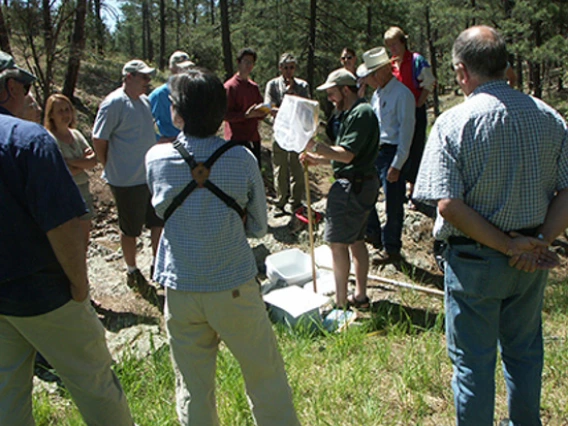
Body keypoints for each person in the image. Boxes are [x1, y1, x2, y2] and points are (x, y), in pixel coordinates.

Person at [413, 26, 568, 426]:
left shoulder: (453, 123)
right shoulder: (550, 118)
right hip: (530, 260)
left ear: (462, 71)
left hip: (475, 263)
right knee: (526, 353)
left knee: (473, 366)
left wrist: (506, 245)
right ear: (505, 66)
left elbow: (448, 205)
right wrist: (535, 243)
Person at [145, 68, 300, 426]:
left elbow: (160, 210)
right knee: (264, 375)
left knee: (193, 386)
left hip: (181, 286)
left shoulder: (155, 159)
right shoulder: (241, 158)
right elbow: (260, 227)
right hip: (233, 283)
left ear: (178, 113)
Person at [0, 50, 135, 426]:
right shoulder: (29, 139)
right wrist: (79, 285)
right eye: (26, 87)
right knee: (95, 381)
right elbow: (63, 225)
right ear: (9, 87)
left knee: (7, 393)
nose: (32, 96)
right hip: (45, 293)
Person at [300, 68, 379, 309]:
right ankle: (360, 296)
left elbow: (346, 155)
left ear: (346, 89)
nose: (331, 98)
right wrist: (319, 159)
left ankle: (342, 303)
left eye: (333, 93)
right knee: (356, 240)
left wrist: (315, 145)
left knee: (337, 244)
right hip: (360, 183)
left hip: (352, 188)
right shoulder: (351, 113)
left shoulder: (361, 113)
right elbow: (347, 156)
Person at [92, 59, 163, 289]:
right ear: (129, 77)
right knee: (130, 228)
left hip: (149, 177)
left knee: (157, 222)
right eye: (144, 77)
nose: (148, 82)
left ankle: (157, 264)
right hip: (126, 180)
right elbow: (99, 139)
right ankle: (132, 270)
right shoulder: (113, 103)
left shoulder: (143, 102)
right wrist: (109, 166)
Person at [357, 47, 415, 262]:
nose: (369, 80)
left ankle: (391, 247)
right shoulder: (378, 94)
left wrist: (398, 163)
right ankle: (373, 233)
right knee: (366, 192)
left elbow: (406, 132)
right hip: (376, 150)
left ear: (381, 71)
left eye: (371, 75)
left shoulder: (403, 95)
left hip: (392, 151)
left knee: (393, 203)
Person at [384, 26, 436, 208]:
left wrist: (419, 103)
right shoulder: (390, 64)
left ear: (403, 42)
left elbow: (429, 82)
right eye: (389, 46)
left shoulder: (416, 60)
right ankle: (401, 187)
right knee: (399, 147)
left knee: (415, 149)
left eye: (395, 45)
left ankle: (415, 190)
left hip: (414, 110)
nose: (393, 49)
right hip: (396, 114)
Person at [45, 94, 97, 248]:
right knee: (68, 242)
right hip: (64, 193)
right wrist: (82, 162)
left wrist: (70, 162)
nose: (65, 114)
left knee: (84, 239)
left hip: (83, 189)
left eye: (67, 109)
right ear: (51, 115)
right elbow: (61, 172)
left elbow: (93, 161)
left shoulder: (76, 134)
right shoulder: (49, 139)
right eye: (60, 111)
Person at [265, 53, 310, 215]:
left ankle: (296, 202)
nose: (289, 71)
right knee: (280, 168)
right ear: (280, 68)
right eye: (285, 67)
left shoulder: (303, 86)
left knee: (297, 167)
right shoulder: (272, 85)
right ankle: (280, 201)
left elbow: (306, 108)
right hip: (280, 131)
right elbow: (269, 107)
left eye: (291, 67)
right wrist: (287, 104)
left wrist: (292, 98)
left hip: (297, 132)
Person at [223, 47, 268, 167]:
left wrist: (265, 111)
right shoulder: (229, 87)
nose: (249, 65)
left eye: (251, 63)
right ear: (239, 62)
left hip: (253, 138)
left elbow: (260, 111)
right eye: (246, 61)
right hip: (235, 140)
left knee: (254, 175)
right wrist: (245, 115)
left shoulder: (254, 87)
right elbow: (225, 115)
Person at [149, 50, 195, 143]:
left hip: (194, 142)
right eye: (182, 69)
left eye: (189, 68)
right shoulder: (159, 94)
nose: (187, 72)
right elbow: (142, 121)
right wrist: (158, 139)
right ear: (172, 69)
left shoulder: (194, 91)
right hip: (171, 144)